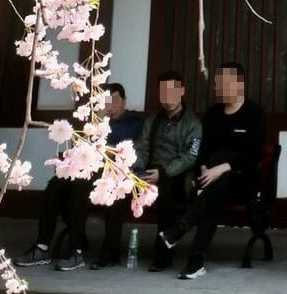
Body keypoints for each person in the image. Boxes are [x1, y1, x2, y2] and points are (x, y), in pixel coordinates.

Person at [15, 82, 144, 272]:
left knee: (78, 188)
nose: (111, 105)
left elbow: (137, 152)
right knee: (55, 185)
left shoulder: (135, 122)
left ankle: (76, 251)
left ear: (124, 101)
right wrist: (98, 122)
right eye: (107, 101)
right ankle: (42, 246)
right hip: (88, 170)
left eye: (115, 100)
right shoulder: (95, 123)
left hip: (114, 177)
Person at [159, 61, 265, 280]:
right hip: (212, 181)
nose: (218, 87)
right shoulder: (214, 114)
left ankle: (181, 229)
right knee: (215, 195)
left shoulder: (254, 113)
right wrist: (206, 168)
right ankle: (194, 261)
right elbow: (203, 151)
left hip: (242, 181)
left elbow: (253, 155)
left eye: (223, 83)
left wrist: (222, 169)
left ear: (239, 84)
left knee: (219, 185)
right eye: (217, 83)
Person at [91, 70, 202, 271]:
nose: (168, 98)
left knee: (167, 195)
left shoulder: (192, 123)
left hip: (174, 176)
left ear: (182, 91)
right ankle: (110, 251)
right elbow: (141, 149)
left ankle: (163, 255)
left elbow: (189, 157)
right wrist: (132, 168)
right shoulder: (152, 121)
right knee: (118, 190)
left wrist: (164, 172)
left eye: (173, 92)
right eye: (164, 93)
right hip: (147, 172)